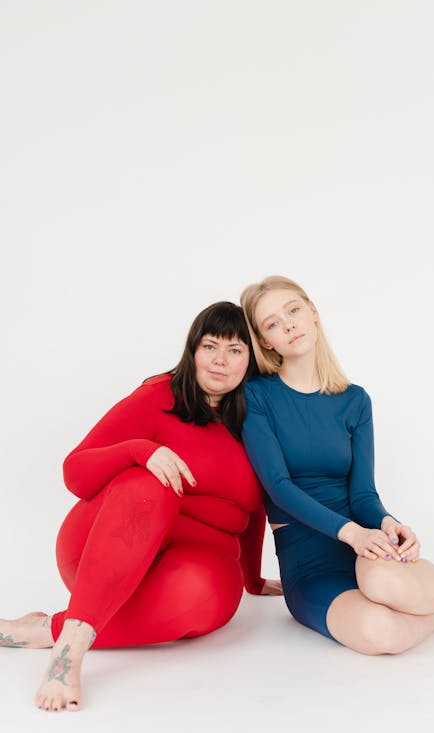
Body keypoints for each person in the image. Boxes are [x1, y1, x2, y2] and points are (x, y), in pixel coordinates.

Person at [0, 301, 281, 712]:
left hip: (191, 565)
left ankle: (43, 630)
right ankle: (68, 654)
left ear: (250, 359)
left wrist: (251, 579)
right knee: (154, 479)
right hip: (104, 546)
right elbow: (74, 472)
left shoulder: (254, 419)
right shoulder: (159, 396)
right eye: (210, 346)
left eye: (235, 350)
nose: (220, 360)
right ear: (192, 349)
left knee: (206, 597)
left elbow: (253, 508)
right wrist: (139, 451)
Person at [240, 275, 434, 654]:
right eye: (272, 323)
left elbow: (363, 493)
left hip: (366, 546)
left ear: (312, 312)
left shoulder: (355, 400)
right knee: (381, 634)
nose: (289, 324)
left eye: (293, 310)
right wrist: (351, 533)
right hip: (309, 561)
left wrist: (387, 523)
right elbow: (279, 486)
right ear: (266, 341)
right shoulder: (257, 396)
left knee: (385, 584)